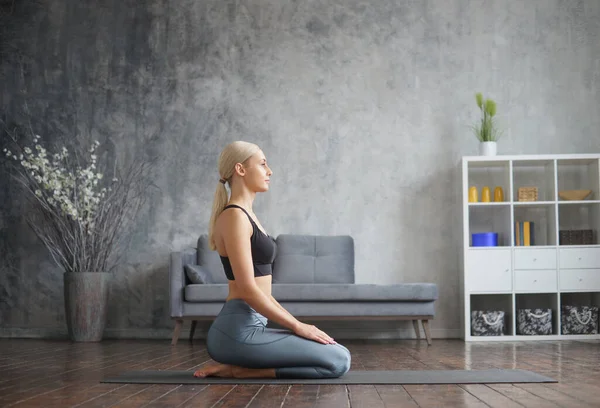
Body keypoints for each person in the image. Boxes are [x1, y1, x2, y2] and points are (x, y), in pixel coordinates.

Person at [193, 141, 351, 379]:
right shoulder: (234, 216)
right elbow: (247, 289)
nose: (270, 171)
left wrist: (300, 325)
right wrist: (298, 326)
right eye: (263, 164)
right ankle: (242, 371)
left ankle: (242, 368)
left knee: (339, 355)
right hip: (237, 332)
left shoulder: (248, 215)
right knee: (338, 361)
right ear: (240, 169)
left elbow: (262, 293)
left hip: (254, 326)